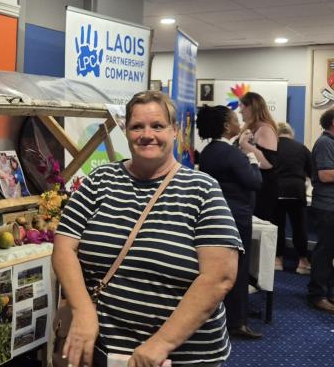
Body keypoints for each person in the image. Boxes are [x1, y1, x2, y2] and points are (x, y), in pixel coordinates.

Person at [52, 90, 241, 367]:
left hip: (182, 356)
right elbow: (64, 247)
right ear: (126, 131)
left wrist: (161, 343)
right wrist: (82, 311)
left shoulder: (203, 189)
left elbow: (219, 276)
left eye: (158, 126)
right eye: (137, 126)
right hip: (102, 349)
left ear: (175, 131)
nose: (146, 134)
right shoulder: (100, 180)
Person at [197, 105, 263, 339]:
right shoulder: (232, 154)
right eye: (235, 118)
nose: (240, 122)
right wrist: (252, 157)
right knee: (239, 268)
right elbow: (255, 181)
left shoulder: (208, 151)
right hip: (237, 218)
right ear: (226, 126)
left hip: (217, 216)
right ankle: (238, 321)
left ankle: (227, 316)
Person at [307, 106, 334, 315]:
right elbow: (325, 175)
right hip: (327, 206)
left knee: (333, 251)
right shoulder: (325, 143)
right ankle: (317, 295)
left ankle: (329, 292)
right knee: (325, 252)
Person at [274, 122, 312, 274]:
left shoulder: (271, 146)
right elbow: (312, 172)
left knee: (277, 227)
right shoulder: (301, 148)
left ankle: (278, 260)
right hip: (296, 191)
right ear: (291, 133)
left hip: (275, 191)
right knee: (299, 227)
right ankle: (302, 262)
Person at [238, 92, 279, 223]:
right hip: (255, 187)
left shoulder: (265, 129)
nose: (240, 111)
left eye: (242, 107)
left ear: (251, 107)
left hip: (264, 189)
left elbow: (268, 162)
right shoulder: (252, 129)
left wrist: (244, 144)